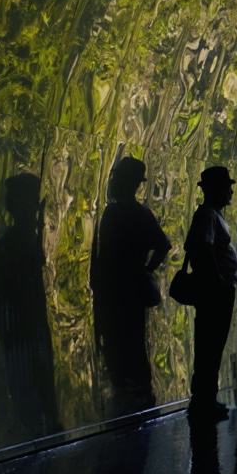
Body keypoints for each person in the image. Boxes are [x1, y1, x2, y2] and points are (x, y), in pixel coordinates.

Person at [0, 172, 61, 435]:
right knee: (41, 391)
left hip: (19, 331)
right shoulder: (21, 238)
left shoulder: (14, 240)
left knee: (28, 393)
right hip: (29, 329)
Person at [91, 157, 171, 416]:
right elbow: (163, 245)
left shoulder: (113, 212)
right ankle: (141, 397)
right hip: (132, 292)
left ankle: (126, 398)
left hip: (112, 291)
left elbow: (103, 257)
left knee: (115, 342)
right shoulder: (141, 213)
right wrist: (146, 269)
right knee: (134, 342)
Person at [184, 165, 237, 421]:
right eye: (227, 186)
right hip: (215, 292)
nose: (230, 190)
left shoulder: (211, 215)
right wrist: (219, 282)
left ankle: (206, 398)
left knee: (212, 344)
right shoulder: (208, 216)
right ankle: (203, 400)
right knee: (210, 343)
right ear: (215, 189)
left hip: (216, 289)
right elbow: (203, 249)